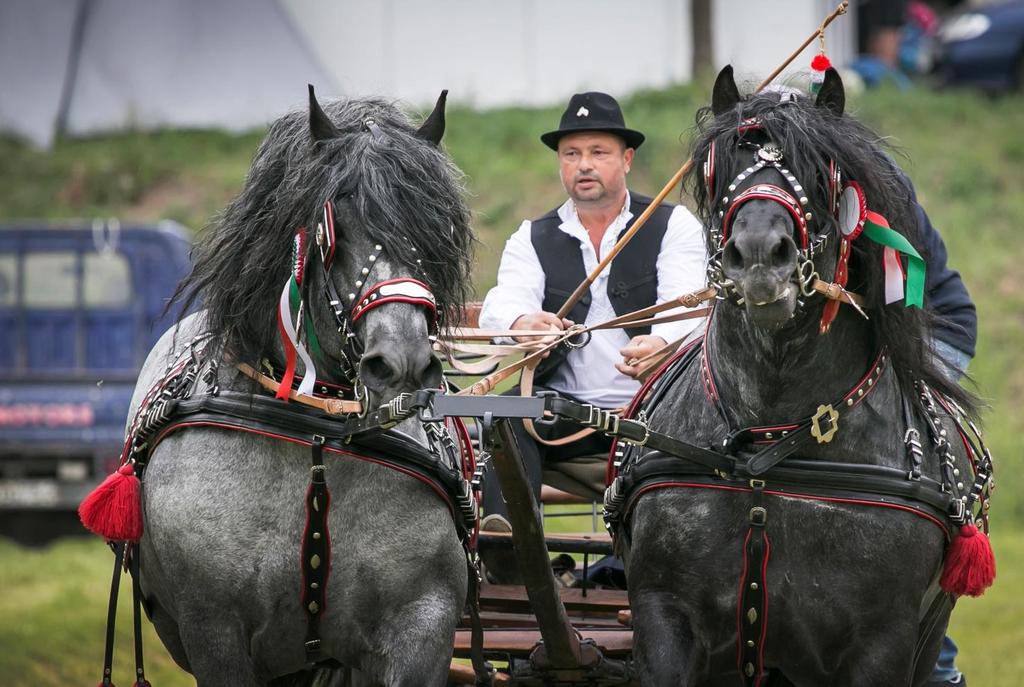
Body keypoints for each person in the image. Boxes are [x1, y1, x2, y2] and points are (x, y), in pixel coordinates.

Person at [477, 91, 707, 524]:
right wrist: (524, 322)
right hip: (564, 410)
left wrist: (660, 341)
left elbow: (689, 304)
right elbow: (503, 301)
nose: (584, 164)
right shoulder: (533, 236)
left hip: (657, 411)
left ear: (627, 159)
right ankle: (508, 545)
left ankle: (624, 566)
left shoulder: (672, 224)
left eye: (599, 152)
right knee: (504, 416)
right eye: (572, 154)